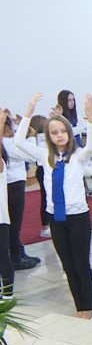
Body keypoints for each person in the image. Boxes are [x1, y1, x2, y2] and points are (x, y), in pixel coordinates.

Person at [15, 93, 92, 319]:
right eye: (54, 132)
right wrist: (28, 111)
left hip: (78, 217)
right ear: (49, 136)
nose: (59, 135)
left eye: (63, 131)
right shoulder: (44, 156)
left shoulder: (78, 155)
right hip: (56, 218)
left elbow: (91, 146)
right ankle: (79, 308)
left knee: (81, 264)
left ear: (69, 133)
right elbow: (19, 142)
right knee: (68, 266)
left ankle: (89, 310)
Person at [2, 113, 39, 270]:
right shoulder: (6, 144)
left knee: (15, 222)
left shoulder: (8, 142)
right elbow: (30, 155)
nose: (14, 129)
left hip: (15, 183)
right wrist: (31, 136)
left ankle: (19, 252)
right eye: (11, 125)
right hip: (13, 185)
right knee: (14, 223)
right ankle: (15, 257)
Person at [0, 114, 15, 298]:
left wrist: (1, 122)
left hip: (1, 219)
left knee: (3, 255)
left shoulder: (1, 164)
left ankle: (8, 293)